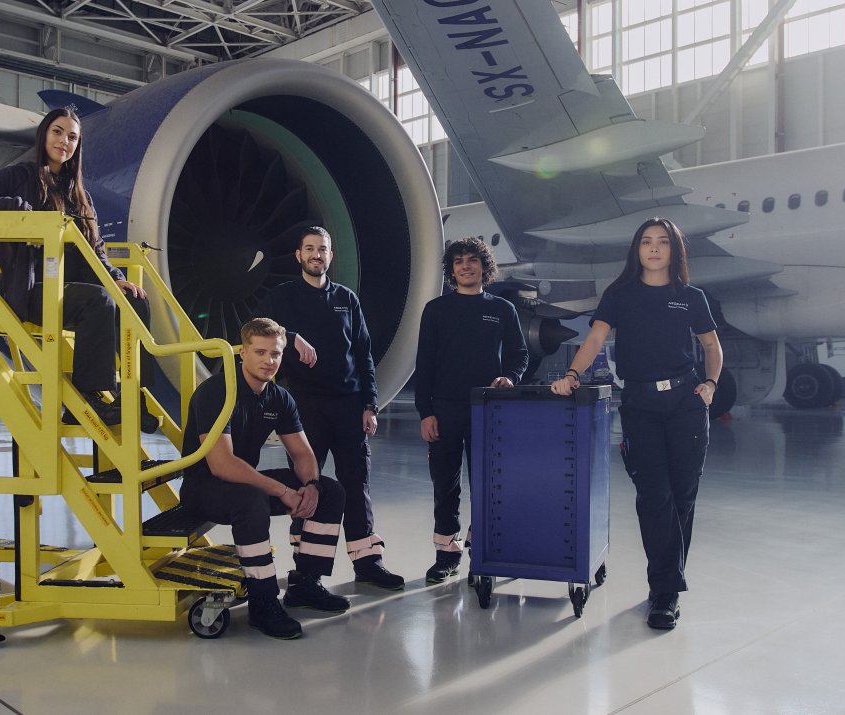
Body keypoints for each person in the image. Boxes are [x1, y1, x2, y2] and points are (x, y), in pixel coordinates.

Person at [551, 218, 722, 631]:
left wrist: (711, 384)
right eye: (646, 242)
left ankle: (665, 587)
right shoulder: (620, 294)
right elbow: (595, 339)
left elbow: (711, 346)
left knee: (682, 497)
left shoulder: (691, 297)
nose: (654, 248)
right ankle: (665, 592)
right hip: (641, 403)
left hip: (685, 402)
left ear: (674, 250)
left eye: (663, 242)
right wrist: (572, 374)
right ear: (637, 250)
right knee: (654, 496)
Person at [0, 105, 154, 427]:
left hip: (72, 290)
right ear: (44, 135)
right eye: (57, 132)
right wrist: (17, 210)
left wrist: (116, 278)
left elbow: (96, 250)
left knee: (136, 301)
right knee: (98, 300)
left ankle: (136, 395)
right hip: (34, 290)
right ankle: (87, 399)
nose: (64, 141)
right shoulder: (21, 176)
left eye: (72, 137)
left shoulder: (80, 195)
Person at [179, 318, 350, 639]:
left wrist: (311, 486)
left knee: (331, 491)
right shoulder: (217, 391)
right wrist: (282, 490)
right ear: (243, 353)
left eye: (275, 354)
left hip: (246, 483)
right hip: (203, 488)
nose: (269, 361)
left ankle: (306, 583)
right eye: (260, 352)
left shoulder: (279, 397)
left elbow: (302, 453)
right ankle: (262, 601)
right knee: (252, 499)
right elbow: (222, 465)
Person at [260, 227, 404, 590]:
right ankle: (306, 571)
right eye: (309, 248)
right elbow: (253, 330)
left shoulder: (346, 299)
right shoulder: (282, 297)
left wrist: (370, 404)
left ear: (330, 255)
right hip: (305, 407)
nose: (316, 254)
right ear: (299, 255)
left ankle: (367, 562)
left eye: (322, 249)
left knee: (357, 485)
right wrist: (291, 337)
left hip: (348, 406)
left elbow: (364, 354)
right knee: (308, 485)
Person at [411, 237, 527, 584]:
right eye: (459, 261)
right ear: (451, 269)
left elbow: (520, 354)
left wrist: (510, 376)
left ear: (484, 266)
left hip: (488, 410)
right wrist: (425, 412)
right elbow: (424, 364)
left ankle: (485, 551)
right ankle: (447, 554)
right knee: (445, 487)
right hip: (444, 410)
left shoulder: (502, 309)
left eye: (472, 260)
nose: (465, 266)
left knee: (488, 484)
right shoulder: (436, 310)